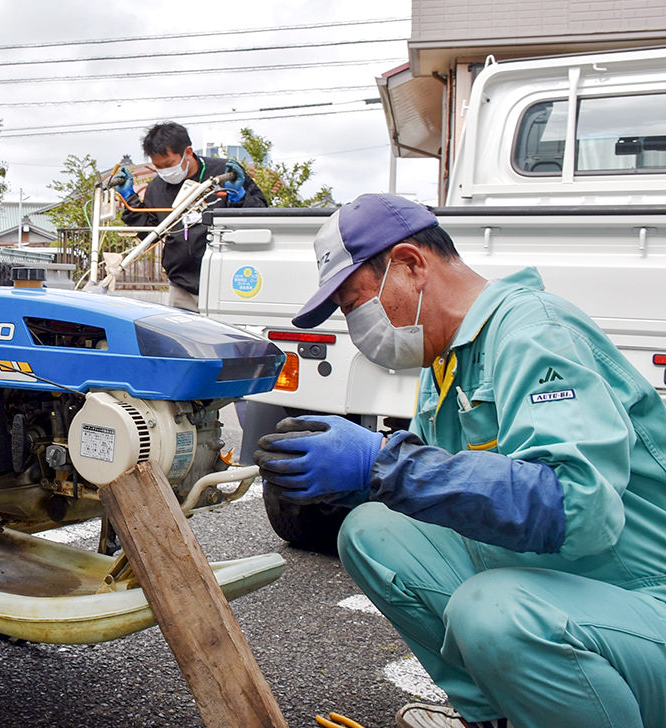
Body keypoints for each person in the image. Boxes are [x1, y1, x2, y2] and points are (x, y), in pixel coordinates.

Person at [254, 194, 666, 728]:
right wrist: (354, 485)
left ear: (409, 265)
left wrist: (381, 463)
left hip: (643, 604)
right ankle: (497, 715)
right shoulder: (447, 361)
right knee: (372, 530)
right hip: (571, 588)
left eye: (357, 303)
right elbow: (444, 492)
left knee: (496, 613)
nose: (356, 325)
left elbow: (578, 508)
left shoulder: (535, 332)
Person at [113, 122, 268, 312]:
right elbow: (151, 235)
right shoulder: (157, 187)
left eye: (169, 164)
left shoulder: (226, 174)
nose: (165, 171)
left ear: (188, 152)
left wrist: (240, 197)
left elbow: (262, 215)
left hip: (229, 281)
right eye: (158, 167)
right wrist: (131, 201)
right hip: (182, 286)